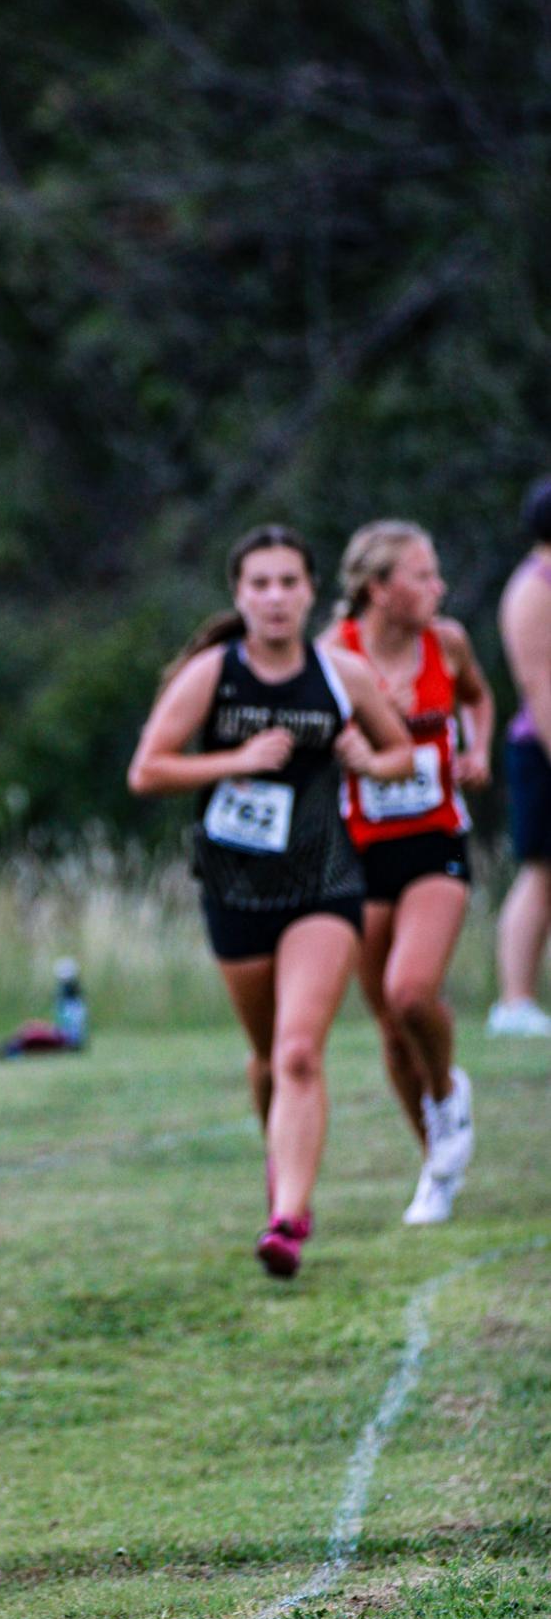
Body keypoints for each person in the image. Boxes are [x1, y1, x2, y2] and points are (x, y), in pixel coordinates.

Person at [128, 526, 412, 1277]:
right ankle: (281, 1168)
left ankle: (289, 1215)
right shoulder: (212, 674)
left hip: (326, 884)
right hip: (235, 888)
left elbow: (402, 753)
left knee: (297, 1050)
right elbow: (147, 770)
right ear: (239, 594)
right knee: (265, 1055)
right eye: (261, 583)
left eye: (290, 581)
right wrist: (237, 760)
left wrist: (369, 759)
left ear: (312, 591)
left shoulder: (340, 671)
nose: (276, 596)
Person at [323, 521, 494, 1223]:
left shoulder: (446, 642)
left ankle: (449, 1091)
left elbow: (478, 696)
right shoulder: (335, 656)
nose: (438, 587)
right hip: (360, 851)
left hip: (435, 842)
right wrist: (345, 753)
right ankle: (437, 1162)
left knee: (411, 990)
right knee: (391, 1026)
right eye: (423, 576)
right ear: (379, 589)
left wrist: (478, 747)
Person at [488, 476, 551, 1037]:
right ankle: (515, 1003)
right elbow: (541, 685)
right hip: (542, 749)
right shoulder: (533, 590)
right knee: (541, 872)